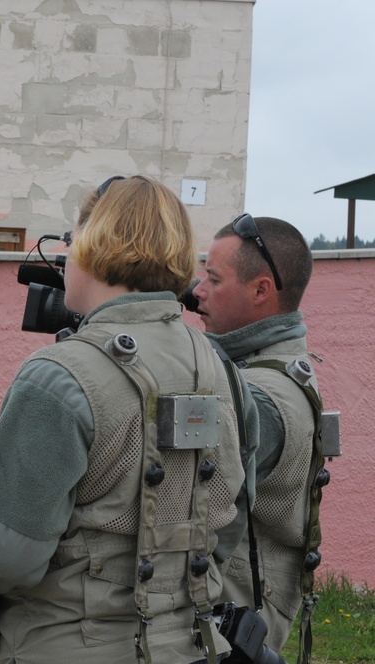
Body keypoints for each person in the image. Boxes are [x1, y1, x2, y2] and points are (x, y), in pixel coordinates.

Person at [0, 175, 258, 663]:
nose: (65, 255)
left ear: (91, 244)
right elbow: (229, 515)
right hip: (188, 649)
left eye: (69, 240)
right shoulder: (223, 369)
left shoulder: (60, 376)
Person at [193, 215, 325, 653]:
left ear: (261, 290)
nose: (197, 292)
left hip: (234, 628)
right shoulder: (251, 371)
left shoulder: (267, 397)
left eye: (213, 279)